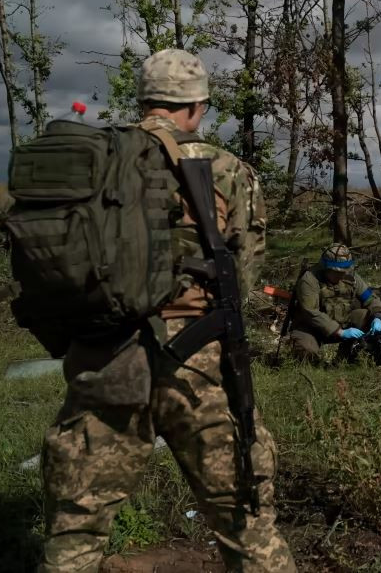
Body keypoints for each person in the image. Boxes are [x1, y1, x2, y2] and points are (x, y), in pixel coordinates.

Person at [39, 49, 296, 573]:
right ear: (198, 107)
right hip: (196, 363)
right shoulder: (226, 169)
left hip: (105, 357)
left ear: (145, 100)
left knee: (76, 528)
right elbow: (242, 276)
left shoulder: (97, 160)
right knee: (246, 525)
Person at [289, 243, 381, 362]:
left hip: (343, 321)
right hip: (312, 327)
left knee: (366, 316)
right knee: (306, 352)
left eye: (344, 272)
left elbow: (370, 298)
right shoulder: (309, 280)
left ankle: (347, 356)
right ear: (326, 269)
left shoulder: (351, 276)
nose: (342, 275)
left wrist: (378, 317)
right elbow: (311, 312)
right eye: (337, 272)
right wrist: (340, 332)